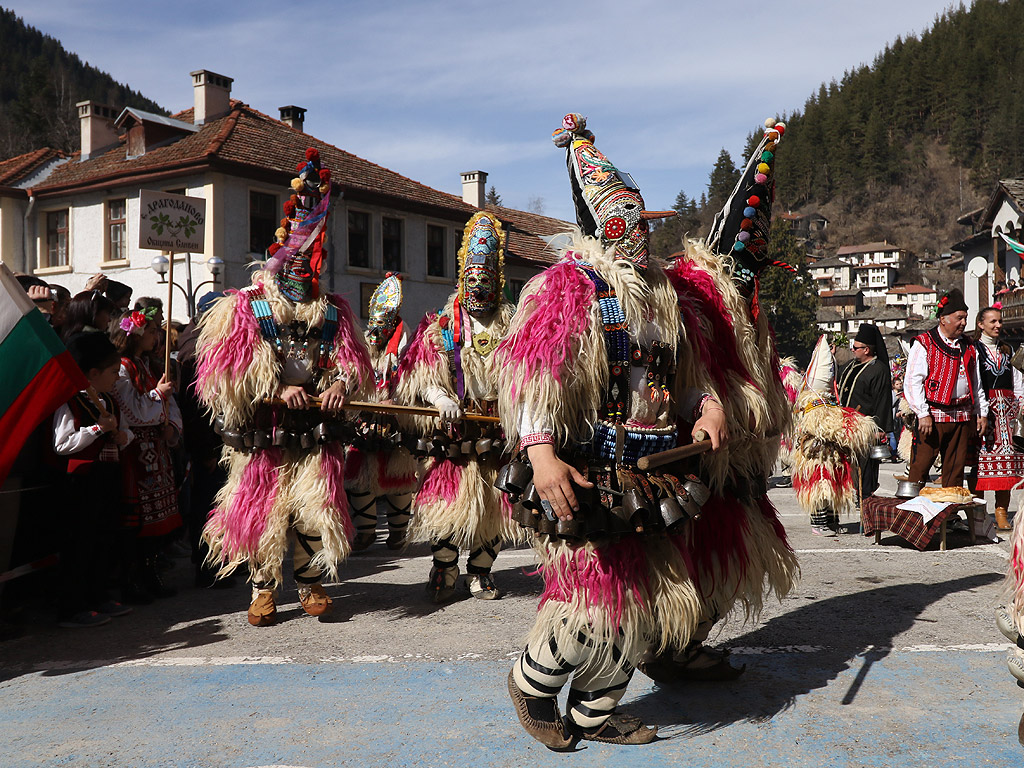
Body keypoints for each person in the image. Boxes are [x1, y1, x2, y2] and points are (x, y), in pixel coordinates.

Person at [497, 114, 796, 748]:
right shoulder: (564, 293)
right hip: (593, 471)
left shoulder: (665, 298)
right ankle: (532, 684)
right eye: (622, 221)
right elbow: (537, 382)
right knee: (595, 601)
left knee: (652, 603)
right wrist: (542, 456)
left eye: (642, 221)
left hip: (659, 469)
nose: (636, 233)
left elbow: (685, 377)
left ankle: (593, 713)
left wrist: (708, 407)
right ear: (597, 226)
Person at [196, 147, 373, 627]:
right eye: (297, 265)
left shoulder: (334, 310)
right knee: (266, 511)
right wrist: (274, 389)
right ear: (280, 258)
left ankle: (313, 585)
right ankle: (262, 592)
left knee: (315, 507)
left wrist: (339, 384)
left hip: (316, 428)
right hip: (265, 431)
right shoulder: (244, 308)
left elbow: (353, 364)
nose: (304, 276)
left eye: (312, 267)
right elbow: (223, 375)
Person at [394, 211, 518, 602]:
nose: (479, 288)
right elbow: (421, 375)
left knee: (494, 512)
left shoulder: (514, 325)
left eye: (486, 280)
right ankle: (444, 569)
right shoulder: (443, 327)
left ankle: (480, 572)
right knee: (446, 509)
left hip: (497, 434)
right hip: (455, 435)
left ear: (497, 282)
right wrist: (439, 397)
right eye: (472, 279)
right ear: (463, 279)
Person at [52, 332, 135, 627]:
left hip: (108, 477)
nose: (117, 379)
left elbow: (126, 432)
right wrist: (98, 430)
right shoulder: (71, 403)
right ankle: (72, 606)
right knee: (80, 542)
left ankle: (98, 596)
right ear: (93, 373)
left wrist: (122, 435)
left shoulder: (109, 402)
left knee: (104, 537)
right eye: (113, 373)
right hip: (82, 483)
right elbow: (63, 444)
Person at [110, 307, 184, 602]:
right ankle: (131, 581)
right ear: (137, 334)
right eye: (152, 330)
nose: (158, 336)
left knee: (156, 523)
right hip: (135, 453)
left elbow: (171, 408)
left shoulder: (151, 364)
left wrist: (173, 430)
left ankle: (150, 574)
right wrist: (159, 395)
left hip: (156, 450)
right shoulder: (122, 368)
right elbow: (133, 411)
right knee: (136, 522)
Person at [344, 273, 417, 552]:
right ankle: (366, 530)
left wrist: (395, 402)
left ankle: (398, 532)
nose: (376, 333)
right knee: (358, 479)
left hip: (397, 422)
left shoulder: (405, 350)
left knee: (399, 482)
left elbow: (415, 384)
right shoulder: (361, 348)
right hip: (362, 423)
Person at [792, 335, 877, 536]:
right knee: (820, 490)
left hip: (832, 457)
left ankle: (831, 521)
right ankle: (819, 523)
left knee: (834, 489)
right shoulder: (813, 404)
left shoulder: (828, 402)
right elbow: (825, 427)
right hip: (816, 457)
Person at [904, 288, 988, 489]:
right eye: (959, 318)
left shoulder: (969, 345)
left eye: (965, 318)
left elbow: (976, 382)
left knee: (955, 470)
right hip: (932, 416)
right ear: (943, 319)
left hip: (961, 415)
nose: (964, 323)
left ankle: (949, 517)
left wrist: (981, 412)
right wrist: (922, 413)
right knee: (920, 467)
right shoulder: (925, 343)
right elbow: (912, 381)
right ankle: (914, 515)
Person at [969, 304, 1024, 531]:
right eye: (993, 322)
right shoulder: (973, 350)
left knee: (1007, 464)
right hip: (985, 413)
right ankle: (978, 514)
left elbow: (1018, 381)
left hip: (1007, 412)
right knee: (979, 463)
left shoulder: (1007, 350)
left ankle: (1001, 512)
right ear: (981, 324)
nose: (998, 325)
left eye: (1000, 321)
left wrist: (1021, 404)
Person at [837, 323, 893, 499]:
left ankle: (865, 503)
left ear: (866, 349)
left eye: (855, 347)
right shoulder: (850, 366)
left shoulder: (879, 370)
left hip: (865, 429)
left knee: (865, 471)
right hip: (844, 426)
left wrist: (879, 428)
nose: (852, 350)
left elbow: (883, 400)